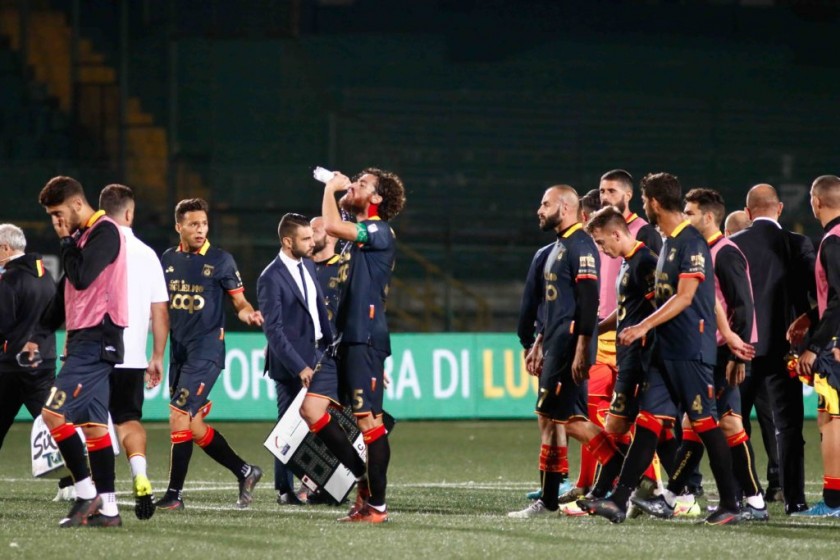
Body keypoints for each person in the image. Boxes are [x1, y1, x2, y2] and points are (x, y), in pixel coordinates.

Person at [579, 172, 740, 526]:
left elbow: (688, 297)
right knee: (649, 422)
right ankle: (619, 500)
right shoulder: (669, 242)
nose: (642, 208)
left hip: (690, 348)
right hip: (665, 352)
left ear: (652, 202)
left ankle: (731, 502)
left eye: (643, 202)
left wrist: (643, 326)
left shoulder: (691, 242)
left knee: (705, 423)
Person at [634, 188, 768, 521]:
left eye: (691, 212)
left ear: (709, 217)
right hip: (707, 349)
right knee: (699, 424)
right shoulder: (698, 250)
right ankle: (676, 494)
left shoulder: (724, 252)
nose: (685, 217)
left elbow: (742, 305)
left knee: (725, 423)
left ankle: (753, 501)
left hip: (724, 353)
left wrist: (739, 357)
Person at [508, 185, 625, 519]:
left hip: (570, 349)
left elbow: (589, 303)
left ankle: (622, 467)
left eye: (545, 204)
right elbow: (555, 305)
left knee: (570, 422)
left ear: (565, 206)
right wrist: (539, 342)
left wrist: (581, 348)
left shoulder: (581, 245)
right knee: (551, 419)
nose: (539, 210)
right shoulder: (557, 247)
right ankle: (548, 500)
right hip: (556, 345)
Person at [155, 198, 264, 511]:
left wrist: (248, 314)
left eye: (203, 223)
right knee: (192, 426)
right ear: (179, 227)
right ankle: (245, 471)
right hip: (179, 351)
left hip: (207, 350)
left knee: (178, 414)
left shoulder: (220, 260)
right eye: (193, 224)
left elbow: (239, 303)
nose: (200, 229)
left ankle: (174, 495)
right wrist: (157, 353)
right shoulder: (167, 259)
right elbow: (160, 307)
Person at [258, 213, 368, 506]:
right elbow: (274, 331)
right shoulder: (270, 277)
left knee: (323, 422)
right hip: (291, 363)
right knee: (288, 425)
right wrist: (300, 367)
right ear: (287, 241)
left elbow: (321, 312)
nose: (312, 242)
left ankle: (326, 486)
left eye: (311, 236)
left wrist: (336, 348)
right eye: (305, 238)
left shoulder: (307, 264)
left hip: (320, 353)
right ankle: (285, 489)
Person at [38, 176, 128, 528]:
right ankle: (108, 510)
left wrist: (64, 241)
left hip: (97, 338)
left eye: (58, 213)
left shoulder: (106, 232)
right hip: (83, 340)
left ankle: (86, 490)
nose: (56, 221)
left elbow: (82, 277)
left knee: (52, 414)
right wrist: (40, 330)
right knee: (93, 428)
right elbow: (66, 291)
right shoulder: (83, 238)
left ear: (77, 204)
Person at [322, 167, 406, 523]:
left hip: (364, 336)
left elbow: (331, 225)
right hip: (345, 338)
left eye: (362, 183)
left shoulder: (379, 230)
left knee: (369, 422)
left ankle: (377, 506)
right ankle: (364, 486)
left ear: (376, 199)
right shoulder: (357, 238)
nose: (353, 184)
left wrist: (330, 190)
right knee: (324, 411)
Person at [731, 183, 816, 514]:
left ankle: (741, 495)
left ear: (748, 212)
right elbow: (818, 294)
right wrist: (809, 328)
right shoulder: (798, 244)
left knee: (736, 422)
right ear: (779, 209)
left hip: (744, 350)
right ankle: (794, 499)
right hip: (786, 349)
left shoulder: (733, 245)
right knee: (789, 426)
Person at [98, 184, 169, 520]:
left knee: (90, 422)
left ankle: (95, 493)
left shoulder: (94, 248)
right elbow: (160, 312)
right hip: (132, 356)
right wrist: (156, 356)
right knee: (129, 419)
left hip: (95, 352)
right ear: (129, 213)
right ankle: (139, 474)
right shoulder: (147, 254)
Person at [786, 174, 840, 517]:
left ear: (815, 201)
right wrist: (808, 316)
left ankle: (834, 501)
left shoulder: (832, 241)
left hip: (834, 345)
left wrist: (815, 344)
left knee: (830, 420)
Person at [725, 209, 781, 501]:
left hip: (739, 348)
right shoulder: (773, 250)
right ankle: (778, 483)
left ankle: (743, 486)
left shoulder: (728, 252)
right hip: (771, 346)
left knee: (734, 417)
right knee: (772, 419)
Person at [0, 224, 57, 452]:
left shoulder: (10, 280)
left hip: (12, 366)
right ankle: (71, 481)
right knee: (55, 426)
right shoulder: (47, 276)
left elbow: (3, 325)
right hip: (44, 362)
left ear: (5, 247)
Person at [310, 216, 342, 323]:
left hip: (334, 338)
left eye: (314, 231)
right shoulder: (298, 267)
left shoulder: (345, 269)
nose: (308, 236)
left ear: (330, 236)